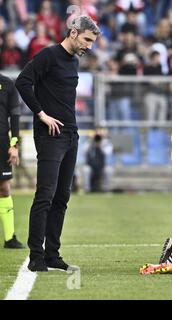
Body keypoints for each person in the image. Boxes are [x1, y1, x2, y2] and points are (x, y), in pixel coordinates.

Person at [15, 15, 100, 272]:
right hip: (50, 136)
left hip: (71, 135)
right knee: (45, 196)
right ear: (73, 33)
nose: (89, 46)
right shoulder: (48, 55)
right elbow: (23, 82)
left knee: (62, 197)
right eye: (87, 39)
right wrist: (41, 115)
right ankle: (36, 257)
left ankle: (53, 255)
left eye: (93, 42)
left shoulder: (73, 62)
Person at [0, 72, 25, 249]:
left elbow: (15, 115)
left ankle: (9, 238)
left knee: (4, 187)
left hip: (1, 142)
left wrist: (14, 144)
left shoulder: (7, 84)